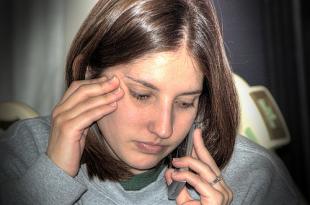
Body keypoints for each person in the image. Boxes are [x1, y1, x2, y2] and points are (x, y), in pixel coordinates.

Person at [0, 0, 306, 204]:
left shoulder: (254, 176)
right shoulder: (25, 151)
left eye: (185, 103)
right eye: (142, 95)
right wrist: (50, 179)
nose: (163, 128)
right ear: (89, 74)